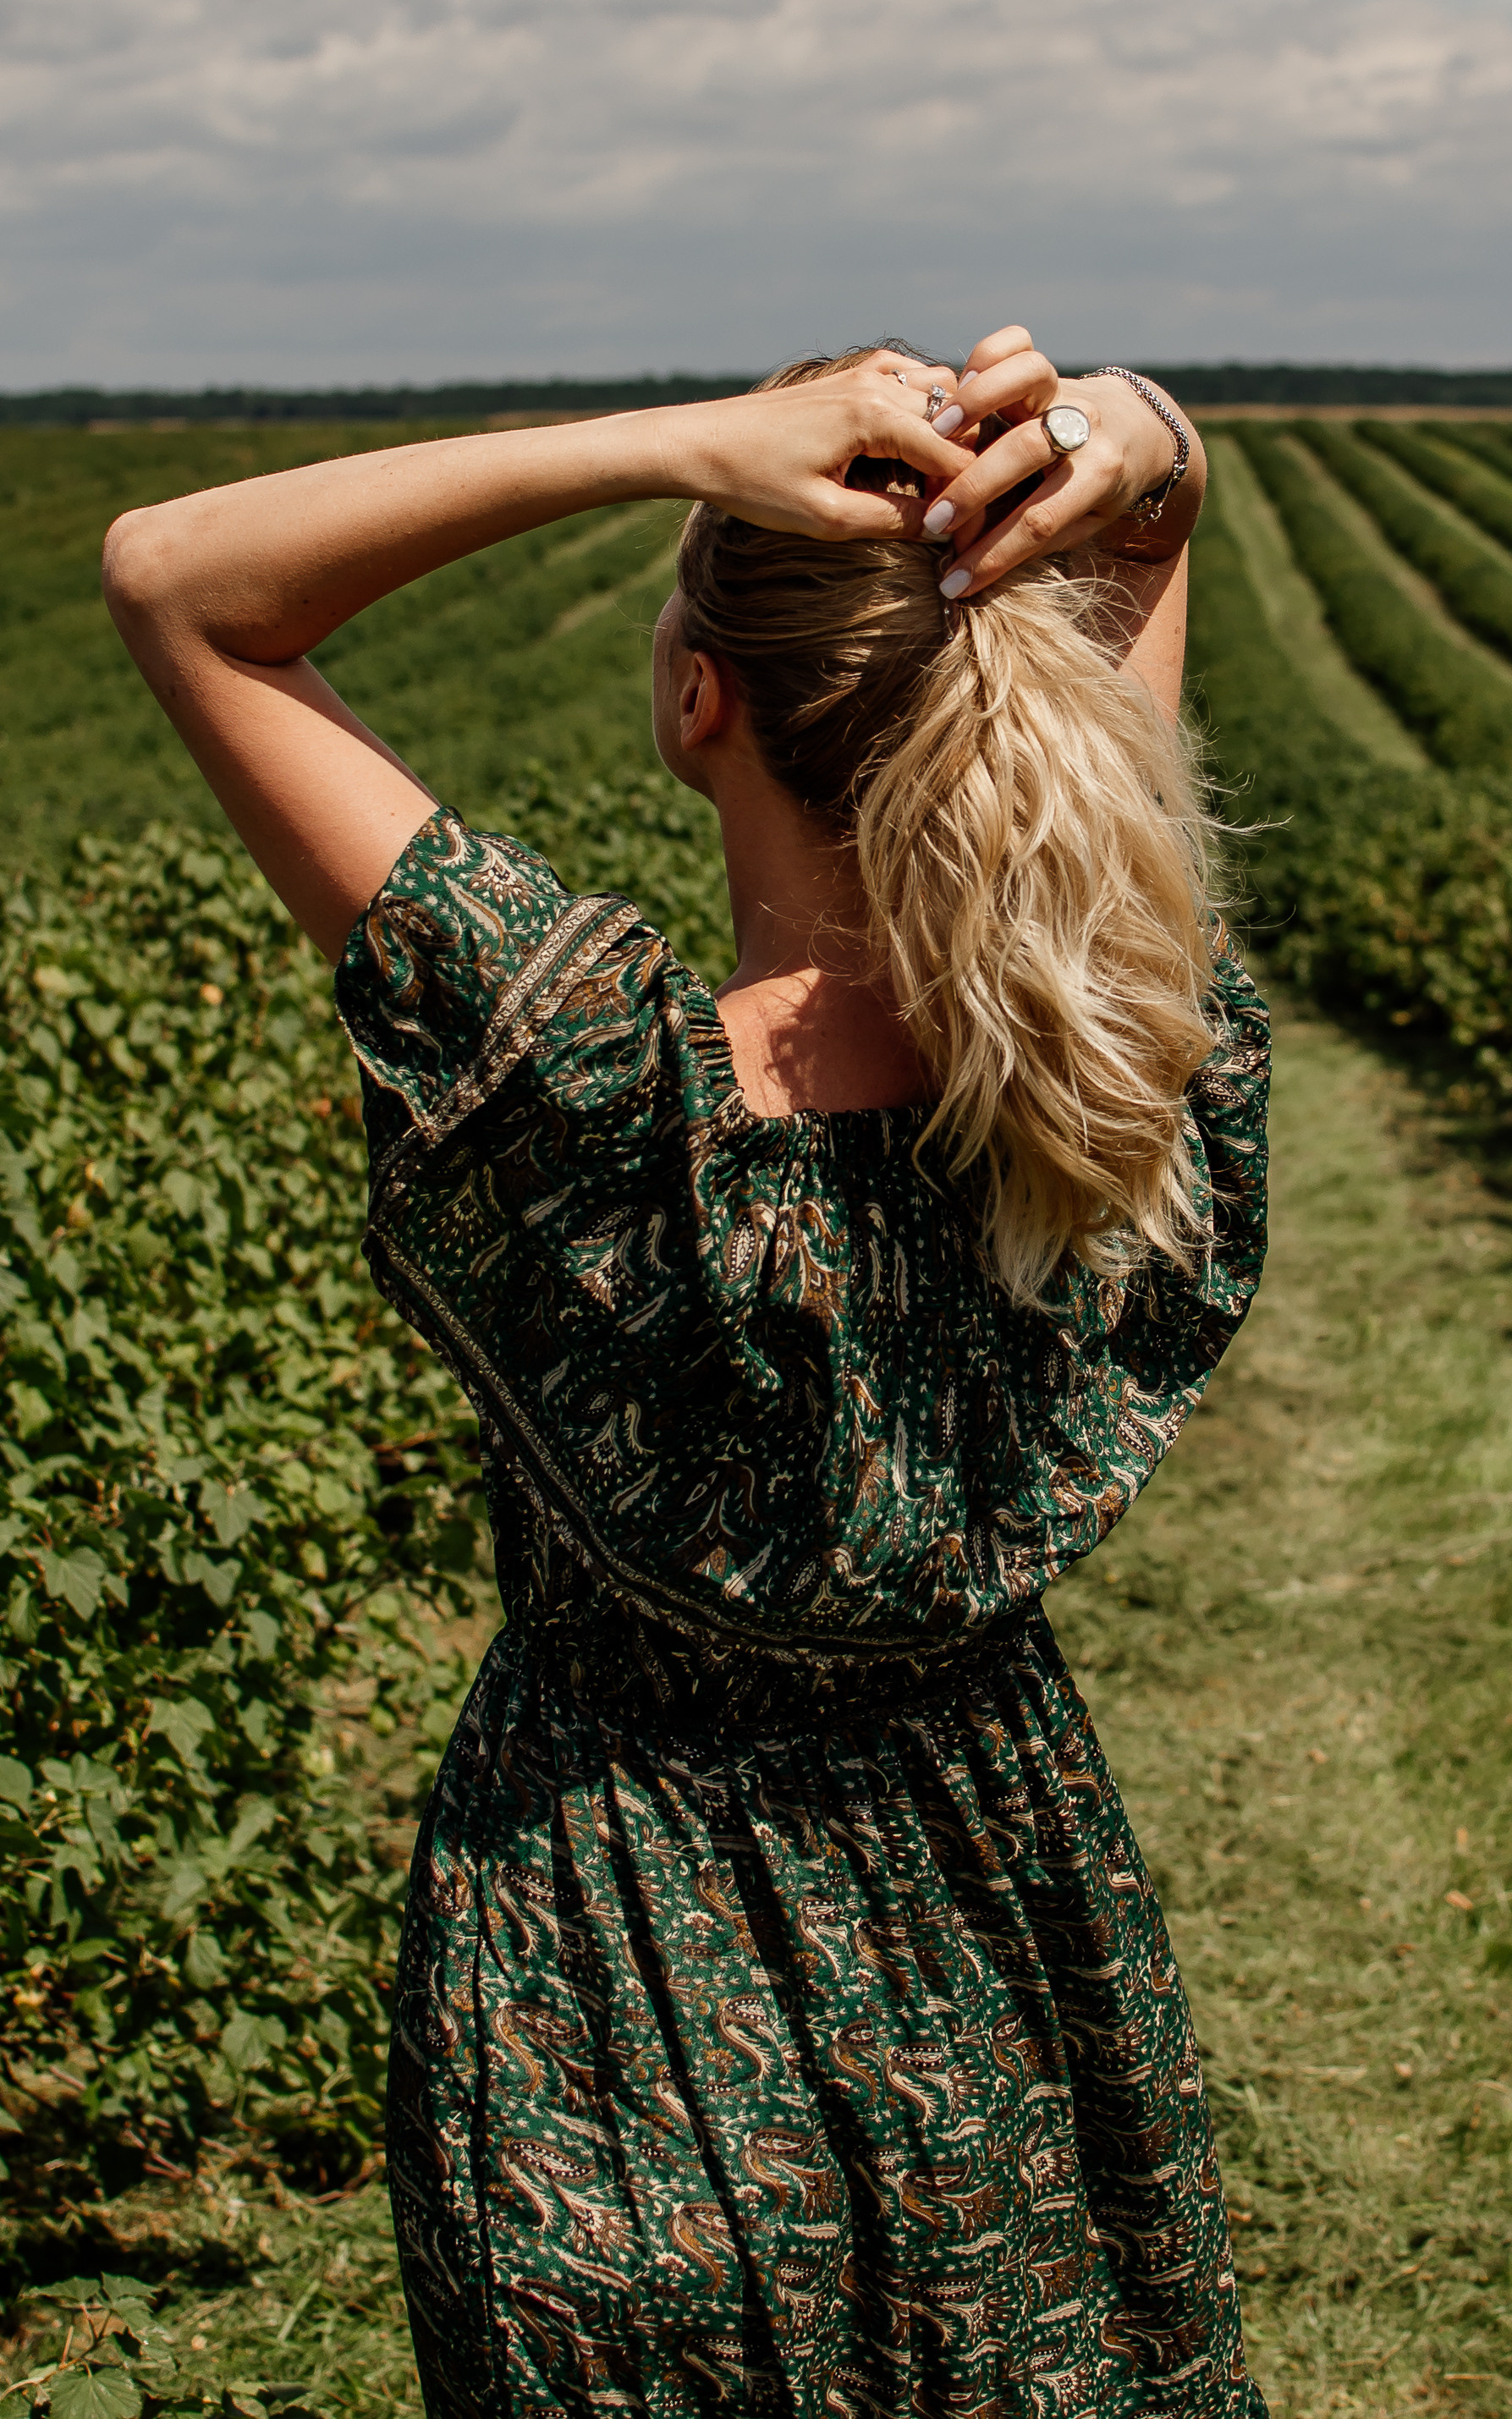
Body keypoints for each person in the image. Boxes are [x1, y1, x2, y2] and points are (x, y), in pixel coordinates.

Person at [103, 326, 1271, 2417]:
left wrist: (671, 444)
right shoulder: (1115, 1067)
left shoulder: (590, 1101)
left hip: (603, 1971)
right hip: (1001, 1927)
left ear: (694, 695)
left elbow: (179, 575)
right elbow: (1165, 516)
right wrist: (1135, 438)